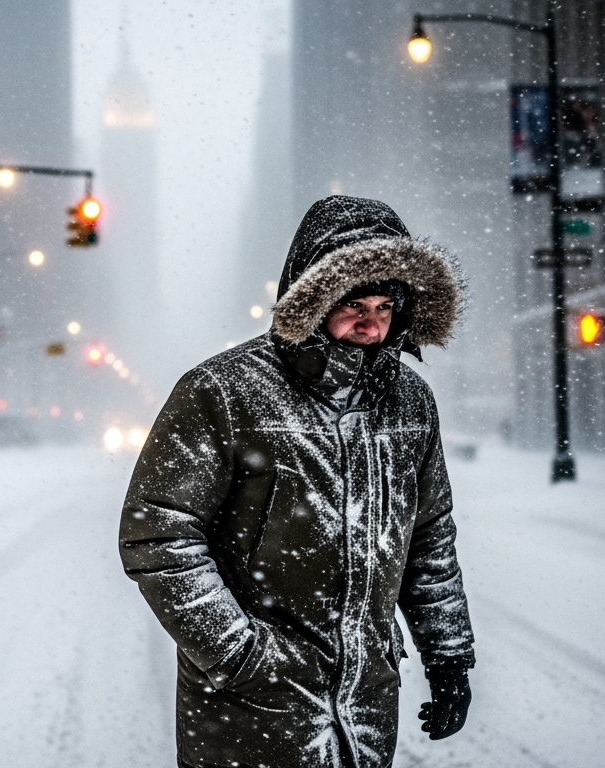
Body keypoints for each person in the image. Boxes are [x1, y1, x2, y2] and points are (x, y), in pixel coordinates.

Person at [119, 196, 474, 768]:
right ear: (312, 300)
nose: (371, 323)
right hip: (249, 712)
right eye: (353, 303)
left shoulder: (410, 402)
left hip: (366, 710)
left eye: (386, 306)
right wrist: (242, 656)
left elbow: (428, 537)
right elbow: (157, 535)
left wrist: (449, 655)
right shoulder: (225, 392)